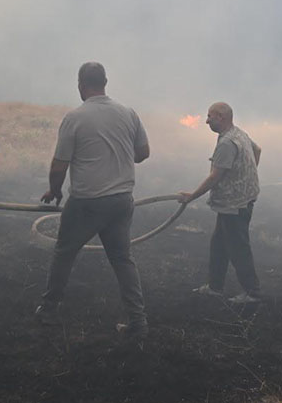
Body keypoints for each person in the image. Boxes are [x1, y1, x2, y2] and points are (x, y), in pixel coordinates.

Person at [37, 62, 151, 341]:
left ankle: (49, 309)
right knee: (122, 259)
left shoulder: (75, 117)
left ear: (80, 84)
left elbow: (58, 165)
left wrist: (55, 191)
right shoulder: (128, 113)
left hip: (87, 201)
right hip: (121, 200)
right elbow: (143, 153)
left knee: (64, 253)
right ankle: (138, 320)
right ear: (105, 82)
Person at [178, 102, 262, 304]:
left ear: (221, 117)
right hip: (241, 199)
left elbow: (215, 177)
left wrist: (191, 196)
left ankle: (252, 292)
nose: (206, 120)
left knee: (237, 246)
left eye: (210, 116)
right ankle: (215, 286)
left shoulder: (226, 143)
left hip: (234, 204)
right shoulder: (238, 134)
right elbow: (257, 150)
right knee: (219, 244)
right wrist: (245, 176)